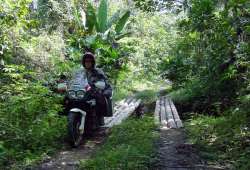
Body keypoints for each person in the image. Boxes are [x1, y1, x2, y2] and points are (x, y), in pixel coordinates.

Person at [82, 52, 113, 126]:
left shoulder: (98, 71)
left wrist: (99, 83)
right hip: (82, 91)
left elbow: (103, 81)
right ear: (83, 62)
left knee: (100, 98)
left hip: (94, 91)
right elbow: (74, 79)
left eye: (90, 61)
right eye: (86, 61)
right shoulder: (81, 72)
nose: (88, 63)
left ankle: (100, 118)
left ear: (93, 62)